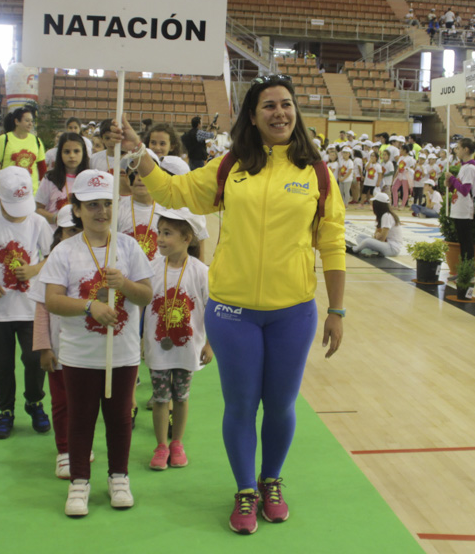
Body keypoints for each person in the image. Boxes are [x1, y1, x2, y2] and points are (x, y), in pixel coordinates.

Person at [130, 74, 345, 535]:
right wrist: (139, 154)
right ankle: (245, 488)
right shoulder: (231, 167)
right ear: (253, 114)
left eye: (286, 104)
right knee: (242, 404)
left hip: (294, 312)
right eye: (268, 105)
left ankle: (272, 480)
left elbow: (332, 242)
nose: (279, 113)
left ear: (296, 112)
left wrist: (337, 310)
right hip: (232, 313)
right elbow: (176, 192)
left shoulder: (317, 172)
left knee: (282, 404)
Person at [38, 170, 154, 516]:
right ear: (76, 209)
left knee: (119, 417)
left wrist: (125, 285)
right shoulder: (65, 251)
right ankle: (79, 482)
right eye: (92, 206)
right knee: (80, 418)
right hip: (79, 355)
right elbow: (53, 301)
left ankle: (119, 477)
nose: (101, 212)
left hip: (122, 354)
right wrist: (90, 305)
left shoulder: (129, 247)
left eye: (107, 204)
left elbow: (146, 295)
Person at [0, 166, 54, 439]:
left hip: (30, 307)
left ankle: (35, 402)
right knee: (2, 363)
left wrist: (35, 269)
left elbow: (52, 256)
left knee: (33, 359)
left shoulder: (38, 222)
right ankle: (5, 410)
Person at [145, 207, 212, 471]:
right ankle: (161, 445)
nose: (160, 238)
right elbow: (140, 305)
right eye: (159, 232)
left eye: (167, 233)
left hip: (188, 348)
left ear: (187, 239)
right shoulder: (150, 268)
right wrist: (140, 338)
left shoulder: (200, 271)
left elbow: (211, 309)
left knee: (181, 397)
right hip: (157, 347)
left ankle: (177, 443)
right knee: (161, 398)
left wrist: (210, 343)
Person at [31, 206, 89, 478]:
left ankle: (82, 444)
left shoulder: (94, 259)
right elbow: (42, 309)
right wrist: (44, 347)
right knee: (62, 401)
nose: (74, 236)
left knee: (86, 402)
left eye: (78, 230)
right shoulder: (52, 262)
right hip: (59, 349)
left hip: (88, 349)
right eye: (69, 231)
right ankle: (65, 450)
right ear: (59, 234)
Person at [0, 107, 46, 203]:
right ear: (17, 122)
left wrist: (44, 190)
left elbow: (42, 167)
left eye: (32, 121)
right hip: (9, 191)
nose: (30, 124)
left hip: (31, 192)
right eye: (27, 120)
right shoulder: (4, 139)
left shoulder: (37, 141)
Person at [35, 133, 89, 225]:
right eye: (67, 152)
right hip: (54, 233)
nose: (72, 155)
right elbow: (37, 209)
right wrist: (55, 218)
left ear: (83, 153)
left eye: (76, 151)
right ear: (60, 154)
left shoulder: (89, 179)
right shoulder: (50, 178)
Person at [446, 138, 475, 261]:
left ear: (465, 150)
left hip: (464, 208)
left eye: (458, 148)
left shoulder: (470, 168)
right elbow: (458, 188)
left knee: (466, 241)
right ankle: (463, 268)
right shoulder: (464, 167)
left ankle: (467, 268)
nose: (456, 151)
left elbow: (465, 190)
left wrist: (452, 179)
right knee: (462, 240)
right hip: (459, 207)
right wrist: (450, 185)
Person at [354, 192, 403, 257]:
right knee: (360, 237)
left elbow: (382, 238)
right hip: (385, 244)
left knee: (367, 241)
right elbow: (376, 235)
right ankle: (372, 251)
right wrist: (377, 236)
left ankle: (354, 250)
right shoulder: (382, 216)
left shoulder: (387, 216)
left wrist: (377, 236)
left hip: (392, 248)